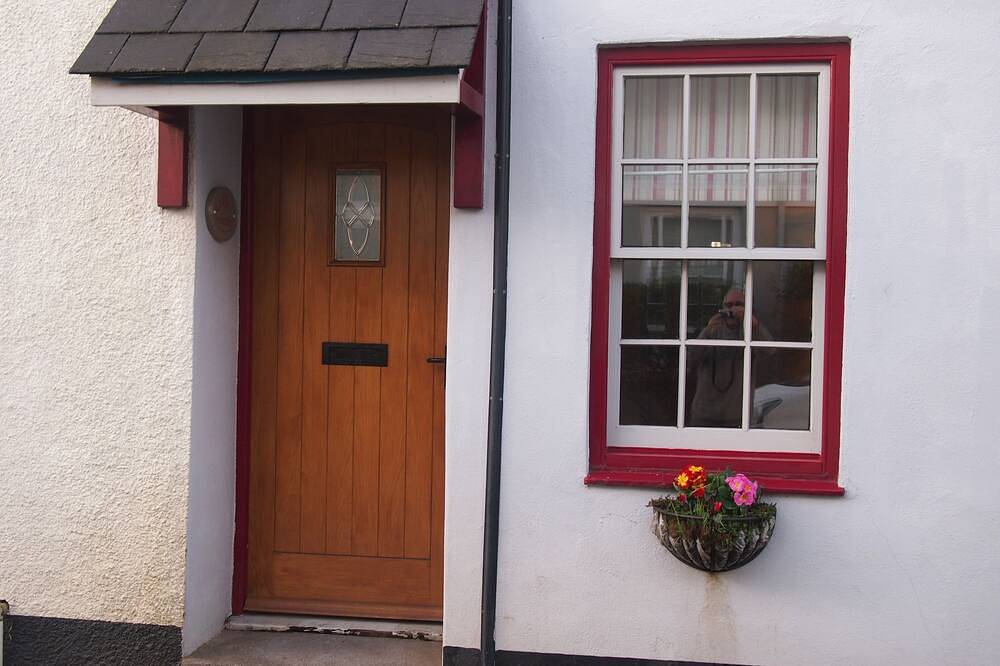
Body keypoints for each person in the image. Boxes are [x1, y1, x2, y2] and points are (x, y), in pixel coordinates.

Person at [686, 286, 772, 427]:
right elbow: (691, 360)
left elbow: (770, 351)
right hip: (704, 414)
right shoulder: (711, 330)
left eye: (738, 304)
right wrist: (707, 331)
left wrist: (754, 325)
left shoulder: (751, 332)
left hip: (738, 415)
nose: (733, 309)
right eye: (728, 305)